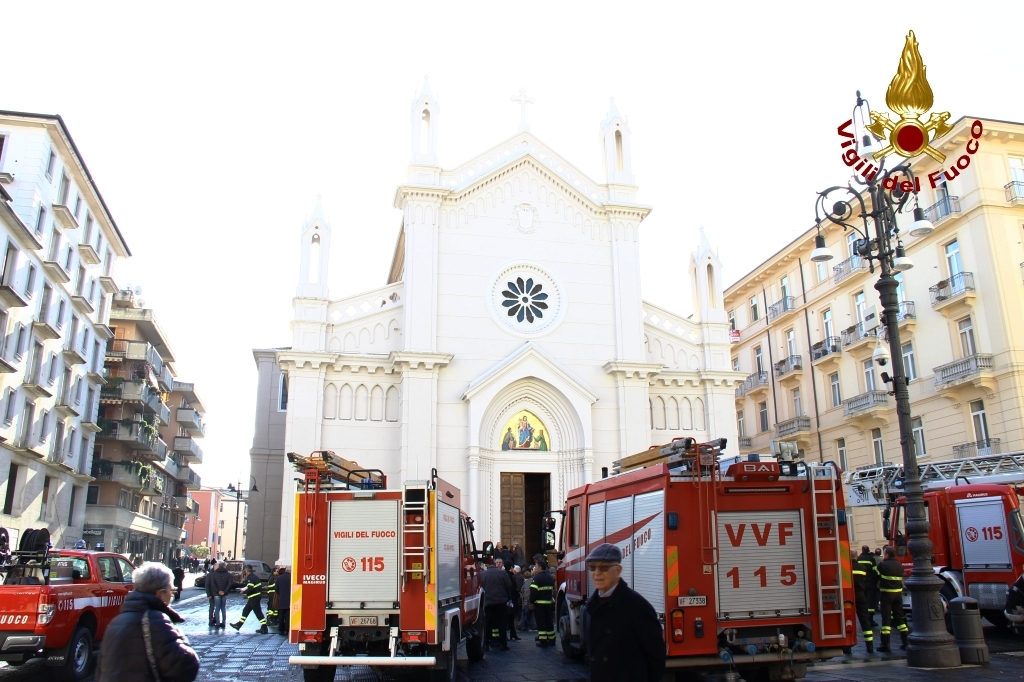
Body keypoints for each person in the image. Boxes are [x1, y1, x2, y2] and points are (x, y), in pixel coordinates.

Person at [96, 562, 200, 682]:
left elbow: (100, 670)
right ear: (160, 594)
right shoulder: (156, 620)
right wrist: (180, 636)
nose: (171, 596)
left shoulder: (115, 622)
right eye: (171, 591)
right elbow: (186, 666)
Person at [582, 543, 665, 681]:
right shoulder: (591, 605)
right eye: (592, 568)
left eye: (603, 568)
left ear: (618, 570)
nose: (597, 573)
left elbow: (656, 655)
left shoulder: (637, 606)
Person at [874, 546, 909, 652]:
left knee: (886, 619)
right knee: (900, 619)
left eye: (884, 554)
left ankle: (885, 644)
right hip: (898, 595)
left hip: (886, 595)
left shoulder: (882, 565)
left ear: (887, 555)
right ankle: (906, 642)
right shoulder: (899, 565)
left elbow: (876, 574)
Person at [481, 558, 514, 650]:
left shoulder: (483, 574)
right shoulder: (502, 573)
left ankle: (486, 644)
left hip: (488, 602)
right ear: (495, 565)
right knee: (502, 623)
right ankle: (504, 644)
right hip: (501, 601)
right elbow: (509, 585)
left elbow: (480, 586)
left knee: (488, 623)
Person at [852, 545, 875, 654]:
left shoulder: (845, 567)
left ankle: (848, 647)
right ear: (857, 557)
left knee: (848, 620)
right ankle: (869, 645)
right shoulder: (862, 568)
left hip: (849, 595)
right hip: (861, 594)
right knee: (864, 619)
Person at [232, 566, 269, 633]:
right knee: (245, 611)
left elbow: (250, 588)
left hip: (254, 598)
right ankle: (239, 625)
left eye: (244, 571)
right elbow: (250, 586)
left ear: (246, 571)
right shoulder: (254, 577)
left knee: (258, 613)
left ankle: (264, 628)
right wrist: (244, 589)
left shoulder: (250, 578)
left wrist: (244, 592)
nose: (244, 572)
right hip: (254, 597)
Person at [529, 558, 555, 647]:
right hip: (548, 603)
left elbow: (533, 592)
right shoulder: (549, 578)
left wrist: (531, 602)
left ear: (540, 568)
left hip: (539, 604)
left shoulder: (536, 578)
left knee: (541, 622)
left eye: (536, 567)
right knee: (549, 621)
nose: (535, 568)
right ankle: (552, 639)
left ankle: (543, 640)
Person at [207, 561, 232, 628]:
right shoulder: (228, 574)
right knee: (223, 608)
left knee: (217, 608)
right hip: (224, 593)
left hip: (216, 594)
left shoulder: (214, 574)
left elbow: (213, 584)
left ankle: (217, 623)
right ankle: (223, 622)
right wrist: (224, 591)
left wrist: (218, 591)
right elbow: (229, 584)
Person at [519, 566, 536, 631]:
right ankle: (534, 625)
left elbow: (526, 594)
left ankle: (520, 625)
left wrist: (526, 603)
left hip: (527, 602)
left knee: (524, 614)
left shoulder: (526, 583)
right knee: (531, 614)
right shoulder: (532, 581)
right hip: (531, 602)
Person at [276, 566, 292, 635]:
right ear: (290, 571)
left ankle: (280, 629)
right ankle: (286, 629)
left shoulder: (279, 578)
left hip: (282, 598)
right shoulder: (292, 578)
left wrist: (280, 595)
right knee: (288, 615)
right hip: (290, 598)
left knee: (281, 615)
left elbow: (276, 589)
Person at [508, 566, 522, 640]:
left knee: (510, 618)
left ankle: (512, 634)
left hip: (509, 600)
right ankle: (512, 634)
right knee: (510, 618)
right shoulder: (510, 576)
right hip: (511, 600)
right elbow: (513, 588)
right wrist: (518, 594)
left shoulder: (510, 576)